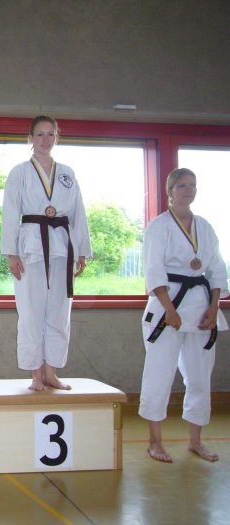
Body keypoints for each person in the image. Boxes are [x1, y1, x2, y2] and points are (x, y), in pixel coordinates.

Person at [138, 168, 228, 463]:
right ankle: (155, 442)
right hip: (168, 306)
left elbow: (216, 270)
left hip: (201, 306)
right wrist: (169, 309)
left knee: (200, 377)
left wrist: (214, 306)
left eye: (192, 185)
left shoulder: (205, 227)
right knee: (159, 375)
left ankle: (195, 441)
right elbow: (153, 270)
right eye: (181, 186)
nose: (188, 190)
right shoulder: (159, 226)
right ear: (170, 191)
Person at [0, 115, 92, 391]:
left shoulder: (67, 173)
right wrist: (11, 252)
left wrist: (82, 251)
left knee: (59, 312)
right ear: (30, 138)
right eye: (39, 134)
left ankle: (51, 372)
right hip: (31, 246)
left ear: (57, 137)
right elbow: (10, 212)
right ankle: (36, 375)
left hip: (62, 245)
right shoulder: (19, 172)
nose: (45, 139)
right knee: (31, 311)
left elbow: (78, 212)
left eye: (50, 134)